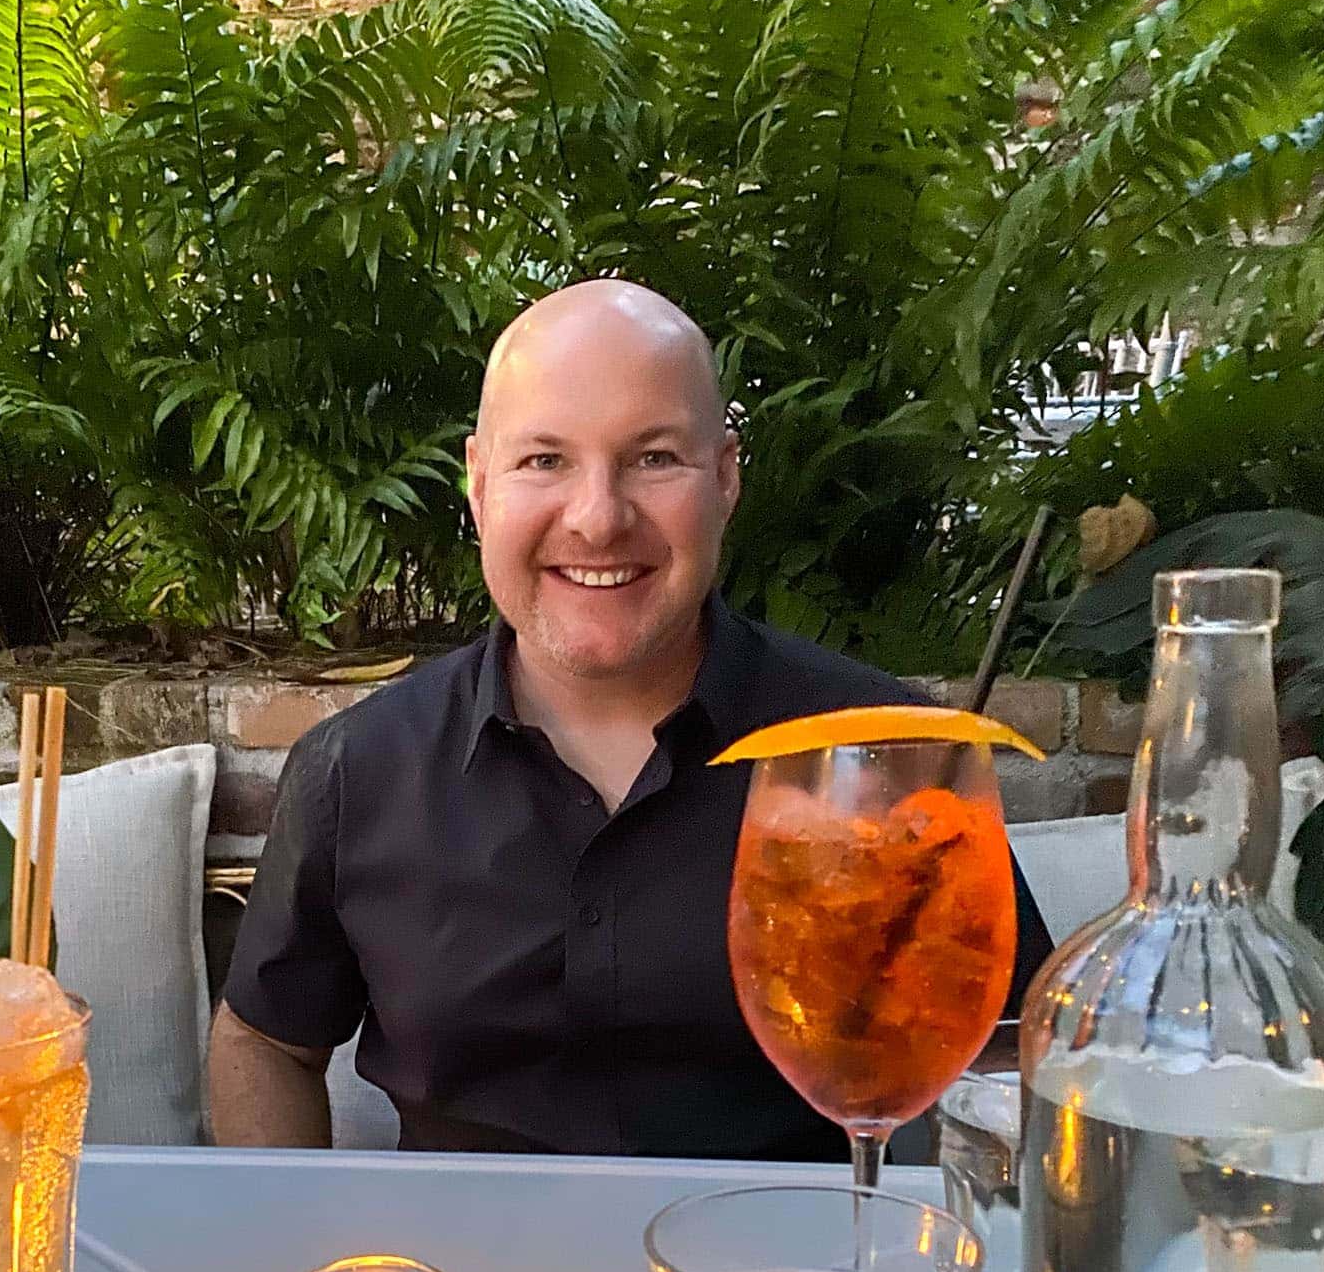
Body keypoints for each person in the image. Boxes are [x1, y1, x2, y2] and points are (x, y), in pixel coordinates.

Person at [209, 279, 1053, 1156]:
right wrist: (293, 1257)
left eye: (654, 457)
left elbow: (1021, 1060)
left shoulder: (894, 758)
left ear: (725, 476)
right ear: (479, 483)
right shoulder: (357, 770)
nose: (599, 518)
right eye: (544, 460)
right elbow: (265, 1042)